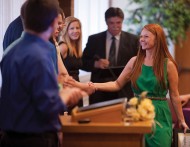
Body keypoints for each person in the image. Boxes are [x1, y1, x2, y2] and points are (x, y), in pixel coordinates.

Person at [0, 0, 86, 146]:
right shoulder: (40, 54)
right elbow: (48, 107)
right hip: (34, 138)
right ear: (52, 21)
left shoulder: (11, 51)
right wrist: (67, 95)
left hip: (9, 137)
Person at [90, 24, 189, 146]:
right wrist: (94, 85)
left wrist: (181, 120)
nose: (141, 39)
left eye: (146, 36)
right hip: (137, 113)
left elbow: (174, 95)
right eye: (141, 36)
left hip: (159, 114)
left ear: (157, 39)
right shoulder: (134, 61)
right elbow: (116, 84)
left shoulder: (168, 65)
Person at [82, 7, 139, 104]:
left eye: (118, 23)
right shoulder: (94, 40)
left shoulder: (133, 40)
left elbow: (138, 64)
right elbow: (82, 62)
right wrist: (95, 64)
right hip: (100, 92)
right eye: (111, 23)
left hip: (124, 91)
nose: (115, 26)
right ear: (106, 22)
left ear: (122, 21)